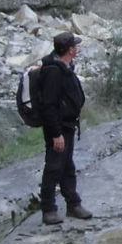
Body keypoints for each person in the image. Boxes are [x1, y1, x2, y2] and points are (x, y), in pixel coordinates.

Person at [38, 32, 92, 225]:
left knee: (67, 166)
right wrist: (56, 134)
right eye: (74, 46)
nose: (77, 48)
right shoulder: (54, 71)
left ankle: (73, 205)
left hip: (67, 125)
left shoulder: (64, 66)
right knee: (53, 167)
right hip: (58, 128)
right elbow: (49, 106)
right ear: (69, 50)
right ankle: (48, 210)